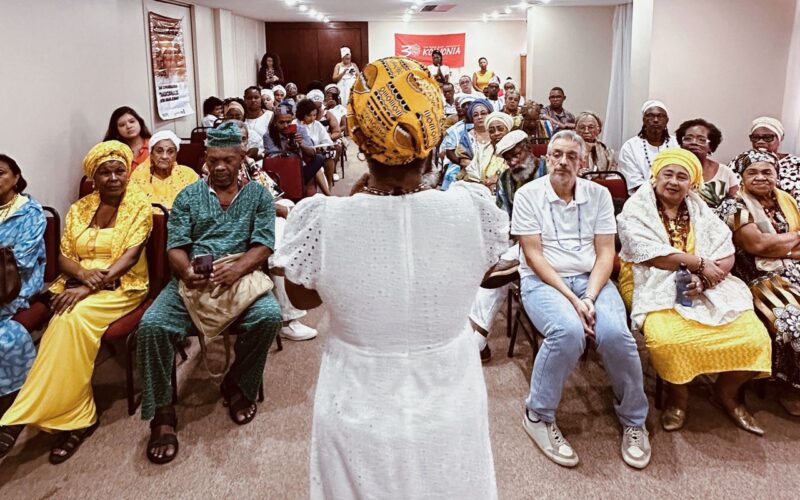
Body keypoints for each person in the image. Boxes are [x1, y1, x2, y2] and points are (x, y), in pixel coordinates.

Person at [273, 55, 506, 499]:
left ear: (359, 139)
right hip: (450, 396)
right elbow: (482, 269)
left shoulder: (322, 219)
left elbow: (302, 300)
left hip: (356, 400)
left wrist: (352, 206)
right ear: (433, 136)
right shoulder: (472, 208)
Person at [135, 122, 283, 465]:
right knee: (152, 326)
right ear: (205, 158)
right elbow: (175, 247)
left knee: (269, 317)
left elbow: (264, 244)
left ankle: (238, 383)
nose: (219, 167)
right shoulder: (188, 197)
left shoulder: (258, 196)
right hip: (194, 279)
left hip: (241, 276)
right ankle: (162, 411)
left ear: (241, 157)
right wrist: (186, 271)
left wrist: (238, 268)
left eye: (228, 160)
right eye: (213, 159)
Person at [0, 141, 151, 463]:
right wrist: (82, 275)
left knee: (69, 318)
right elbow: (64, 256)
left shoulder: (139, 203)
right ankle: (77, 416)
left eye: (119, 171)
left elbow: (130, 256)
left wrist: (88, 288)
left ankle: (20, 416)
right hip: (78, 283)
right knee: (64, 321)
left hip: (123, 286)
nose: (113, 177)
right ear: (94, 178)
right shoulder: (81, 208)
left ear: (128, 173)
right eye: (105, 172)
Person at [512, 130, 650, 469]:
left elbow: (605, 253)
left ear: (582, 162)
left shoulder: (599, 195)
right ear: (547, 158)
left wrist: (588, 295)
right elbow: (534, 256)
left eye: (572, 156)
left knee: (616, 335)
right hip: (544, 281)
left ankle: (634, 420)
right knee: (568, 332)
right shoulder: (528, 194)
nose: (563, 161)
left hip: (592, 280)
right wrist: (574, 302)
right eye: (557, 154)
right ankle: (537, 414)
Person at [617, 148, 772, 434]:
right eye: (668, 174)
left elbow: (726, 252)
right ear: (655, 176)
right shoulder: (636, 207)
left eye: (682, 177)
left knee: (756, 338)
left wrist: (705, 280)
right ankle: (679, 399)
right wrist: (699, 264)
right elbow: (650, 254)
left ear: (693, 183)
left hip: (707, 281)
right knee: (668, 341)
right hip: (650, 278)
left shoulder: (700, 208)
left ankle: (726, 393)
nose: (674, 182)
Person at [717, 150, 800, 416]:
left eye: (767, 172)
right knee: (793, 321)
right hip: (756, 276)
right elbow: (757, 245)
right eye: (752, 172)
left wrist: (780, 248)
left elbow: (769, 245)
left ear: (777, 175)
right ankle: (790, 388)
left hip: (794, 269)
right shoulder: (733, 205)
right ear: (741, 177)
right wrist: (793, 242)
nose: (761, 177)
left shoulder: (788, 201)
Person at [470, 131, 547, 362]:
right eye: (507, 158)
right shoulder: (505, 179)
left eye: (516, 155)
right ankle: (477, 338)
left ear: (529, 148)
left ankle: (477, 340)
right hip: (520, 241)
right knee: (490, 270)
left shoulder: (550, 171)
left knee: (499, 273)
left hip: (556, 243)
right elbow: (503, 218)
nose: (512, 162)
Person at [0, 155, 46, 419]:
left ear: (16, 177)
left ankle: (13, 396)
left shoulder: (30, 212)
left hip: (17, 284)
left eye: (1, 173)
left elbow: (22, 261)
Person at [263, 103, 330, 195]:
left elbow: (312, 153)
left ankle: (301, 185)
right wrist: (286, 150)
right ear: (275, 122)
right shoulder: (268, 136)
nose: (285, 126)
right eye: (281, 122)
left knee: (319, 158)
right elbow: (271, 158)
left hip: (299, 168)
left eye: (288, 122)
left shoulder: (300, 130)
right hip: (280, 170)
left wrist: (301, 144)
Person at [618, 100, 679, 194]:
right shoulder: (630, 146)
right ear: (644, 120)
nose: (655, 120)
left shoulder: (677, 144)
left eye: (660, 116)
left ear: (667, 120)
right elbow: (634, 182)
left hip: (674, 195)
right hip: (642, 197)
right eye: (650, 116)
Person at [674, 118, 738, 207]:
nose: (694, 142)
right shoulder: (670, 169)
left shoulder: (725, 172)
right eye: (688, 138)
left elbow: (736, 204)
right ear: (681, 144)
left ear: (711, 147)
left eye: (701, 140)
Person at [130, 130, 199, 209]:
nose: (164, 156)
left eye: (170, 152)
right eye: (159, 151)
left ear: (176, 154)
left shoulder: (189, 175)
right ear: (151, 153)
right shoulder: (138, 176)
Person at [743, 116, 800, 205]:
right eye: (755, 137)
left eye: (768, 137)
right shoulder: (742, 162)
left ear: (780, 138)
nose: (760, 141)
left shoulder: (795, 164)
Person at [464, 111, 512, 192]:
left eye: (500, 129)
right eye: (491, 131)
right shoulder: (483, 150)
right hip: (481, 190)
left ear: (508, 131)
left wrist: (498, 179)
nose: (496, 133)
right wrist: (484, 184)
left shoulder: (515, 151)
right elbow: (472, 173)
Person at [297, 98, 336, 187]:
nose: (312, 118)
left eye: (314, 115)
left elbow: (327, 141)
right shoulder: (295, 124)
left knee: (329, 154)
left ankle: (328, 185)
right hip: (302, 154)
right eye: (309, 115)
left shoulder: (317, 125)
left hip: (317, 152)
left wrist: (321, 148)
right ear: (302, 114)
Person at [103, 106, 152, 172]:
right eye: (122, 125)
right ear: (116, 130)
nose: (128, 126)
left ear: (140, 122)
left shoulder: (154, 145)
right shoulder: (113, 152)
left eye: (132, 121)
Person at [244, 86, 274, 151]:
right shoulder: (240, 117)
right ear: (245, 99)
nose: (253, 100)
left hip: (265, 153)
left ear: (261, 98)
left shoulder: (270, 115)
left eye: (256, 97)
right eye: (249, 98)